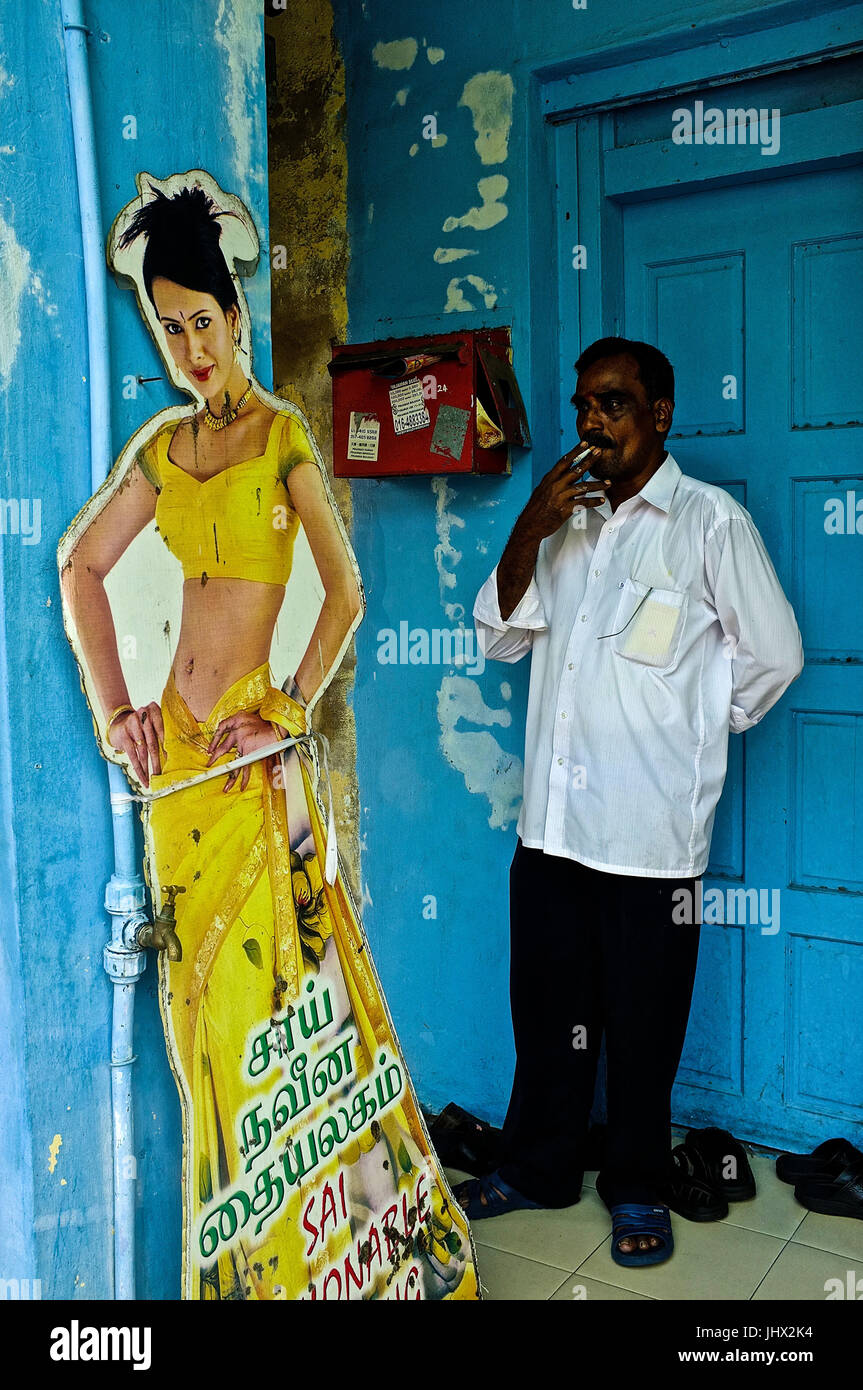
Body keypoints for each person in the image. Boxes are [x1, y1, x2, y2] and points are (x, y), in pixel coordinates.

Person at [59, 176, 478, 1300]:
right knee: (204, 1037)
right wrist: (116, 709)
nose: (191, 350)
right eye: (169, 329)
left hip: (252, 770)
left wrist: (289, 703)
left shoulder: (282, 434)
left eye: (203, 321)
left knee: (281, 1028)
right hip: (180, 776)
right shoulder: (163, 448)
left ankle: (316, 1268)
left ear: (236, 315)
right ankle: (244, 1275)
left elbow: (345, 592)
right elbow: (82, 565)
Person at [464, 337, 803, 1266]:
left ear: (659, 415)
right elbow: (498, 638)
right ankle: (536, 1166)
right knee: (547, 1011)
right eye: (582, 404)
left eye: (611, 403)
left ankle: (637, 1185)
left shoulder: (708, 523)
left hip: (650, 836)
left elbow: (775, 654)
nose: (590, 421)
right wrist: (529, 525)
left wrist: (689, 730)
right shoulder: (562, 522)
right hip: (552, 831)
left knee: (644, 1023)